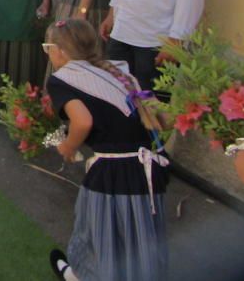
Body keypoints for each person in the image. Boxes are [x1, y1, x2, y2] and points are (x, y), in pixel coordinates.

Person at [45, 19, 169, 281]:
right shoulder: (120, 71)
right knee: (139, 233)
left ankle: (82, 275)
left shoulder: (62, 80)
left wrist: (68, 147)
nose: (49, 53)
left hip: (113, 171)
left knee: (100, 229)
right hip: (149, 167)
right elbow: (161, 116)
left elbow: (84, 121)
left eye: (48, 47)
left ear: (61, 51)